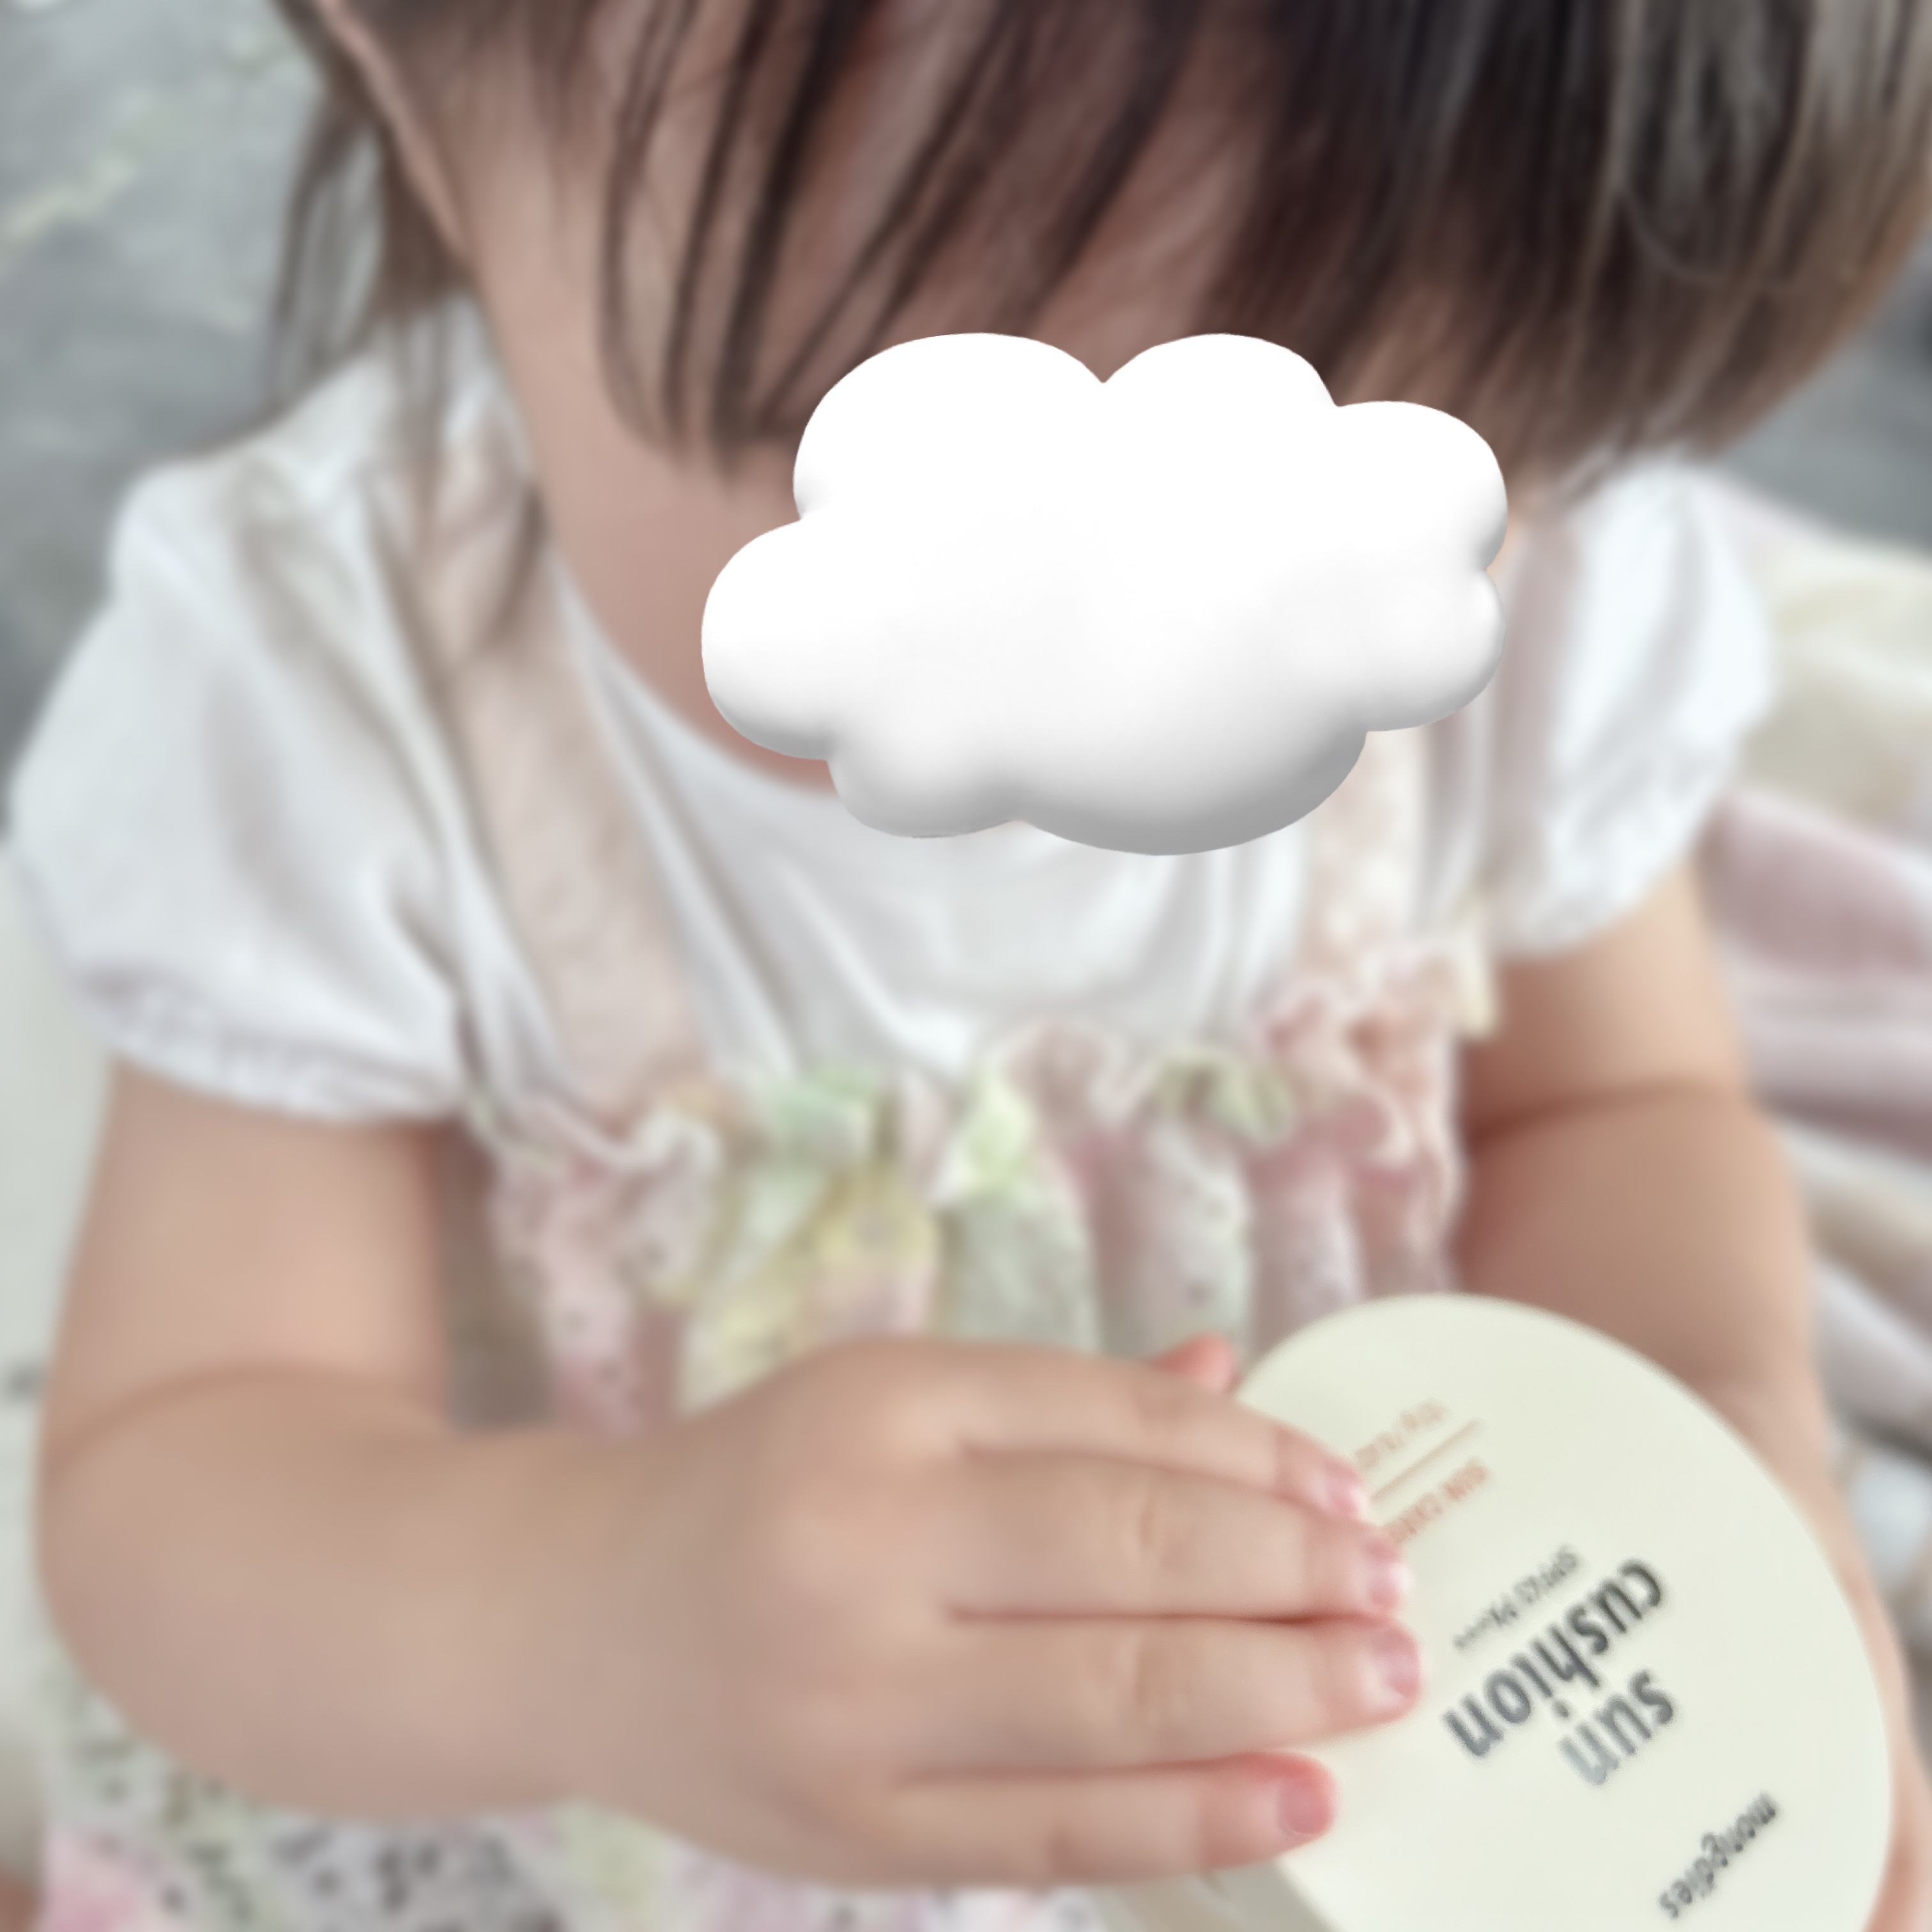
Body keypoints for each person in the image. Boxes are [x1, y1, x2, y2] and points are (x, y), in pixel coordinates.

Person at [10, 3, 1932, 1928]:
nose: (1166, 672)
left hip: (1366, 1741)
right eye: (961, 511)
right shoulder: (329, 692)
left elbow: (1613, 1103)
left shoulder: (1548, 582)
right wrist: (592, 1611)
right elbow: (186, 1477)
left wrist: (1711, 1428)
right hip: (664, 1794)